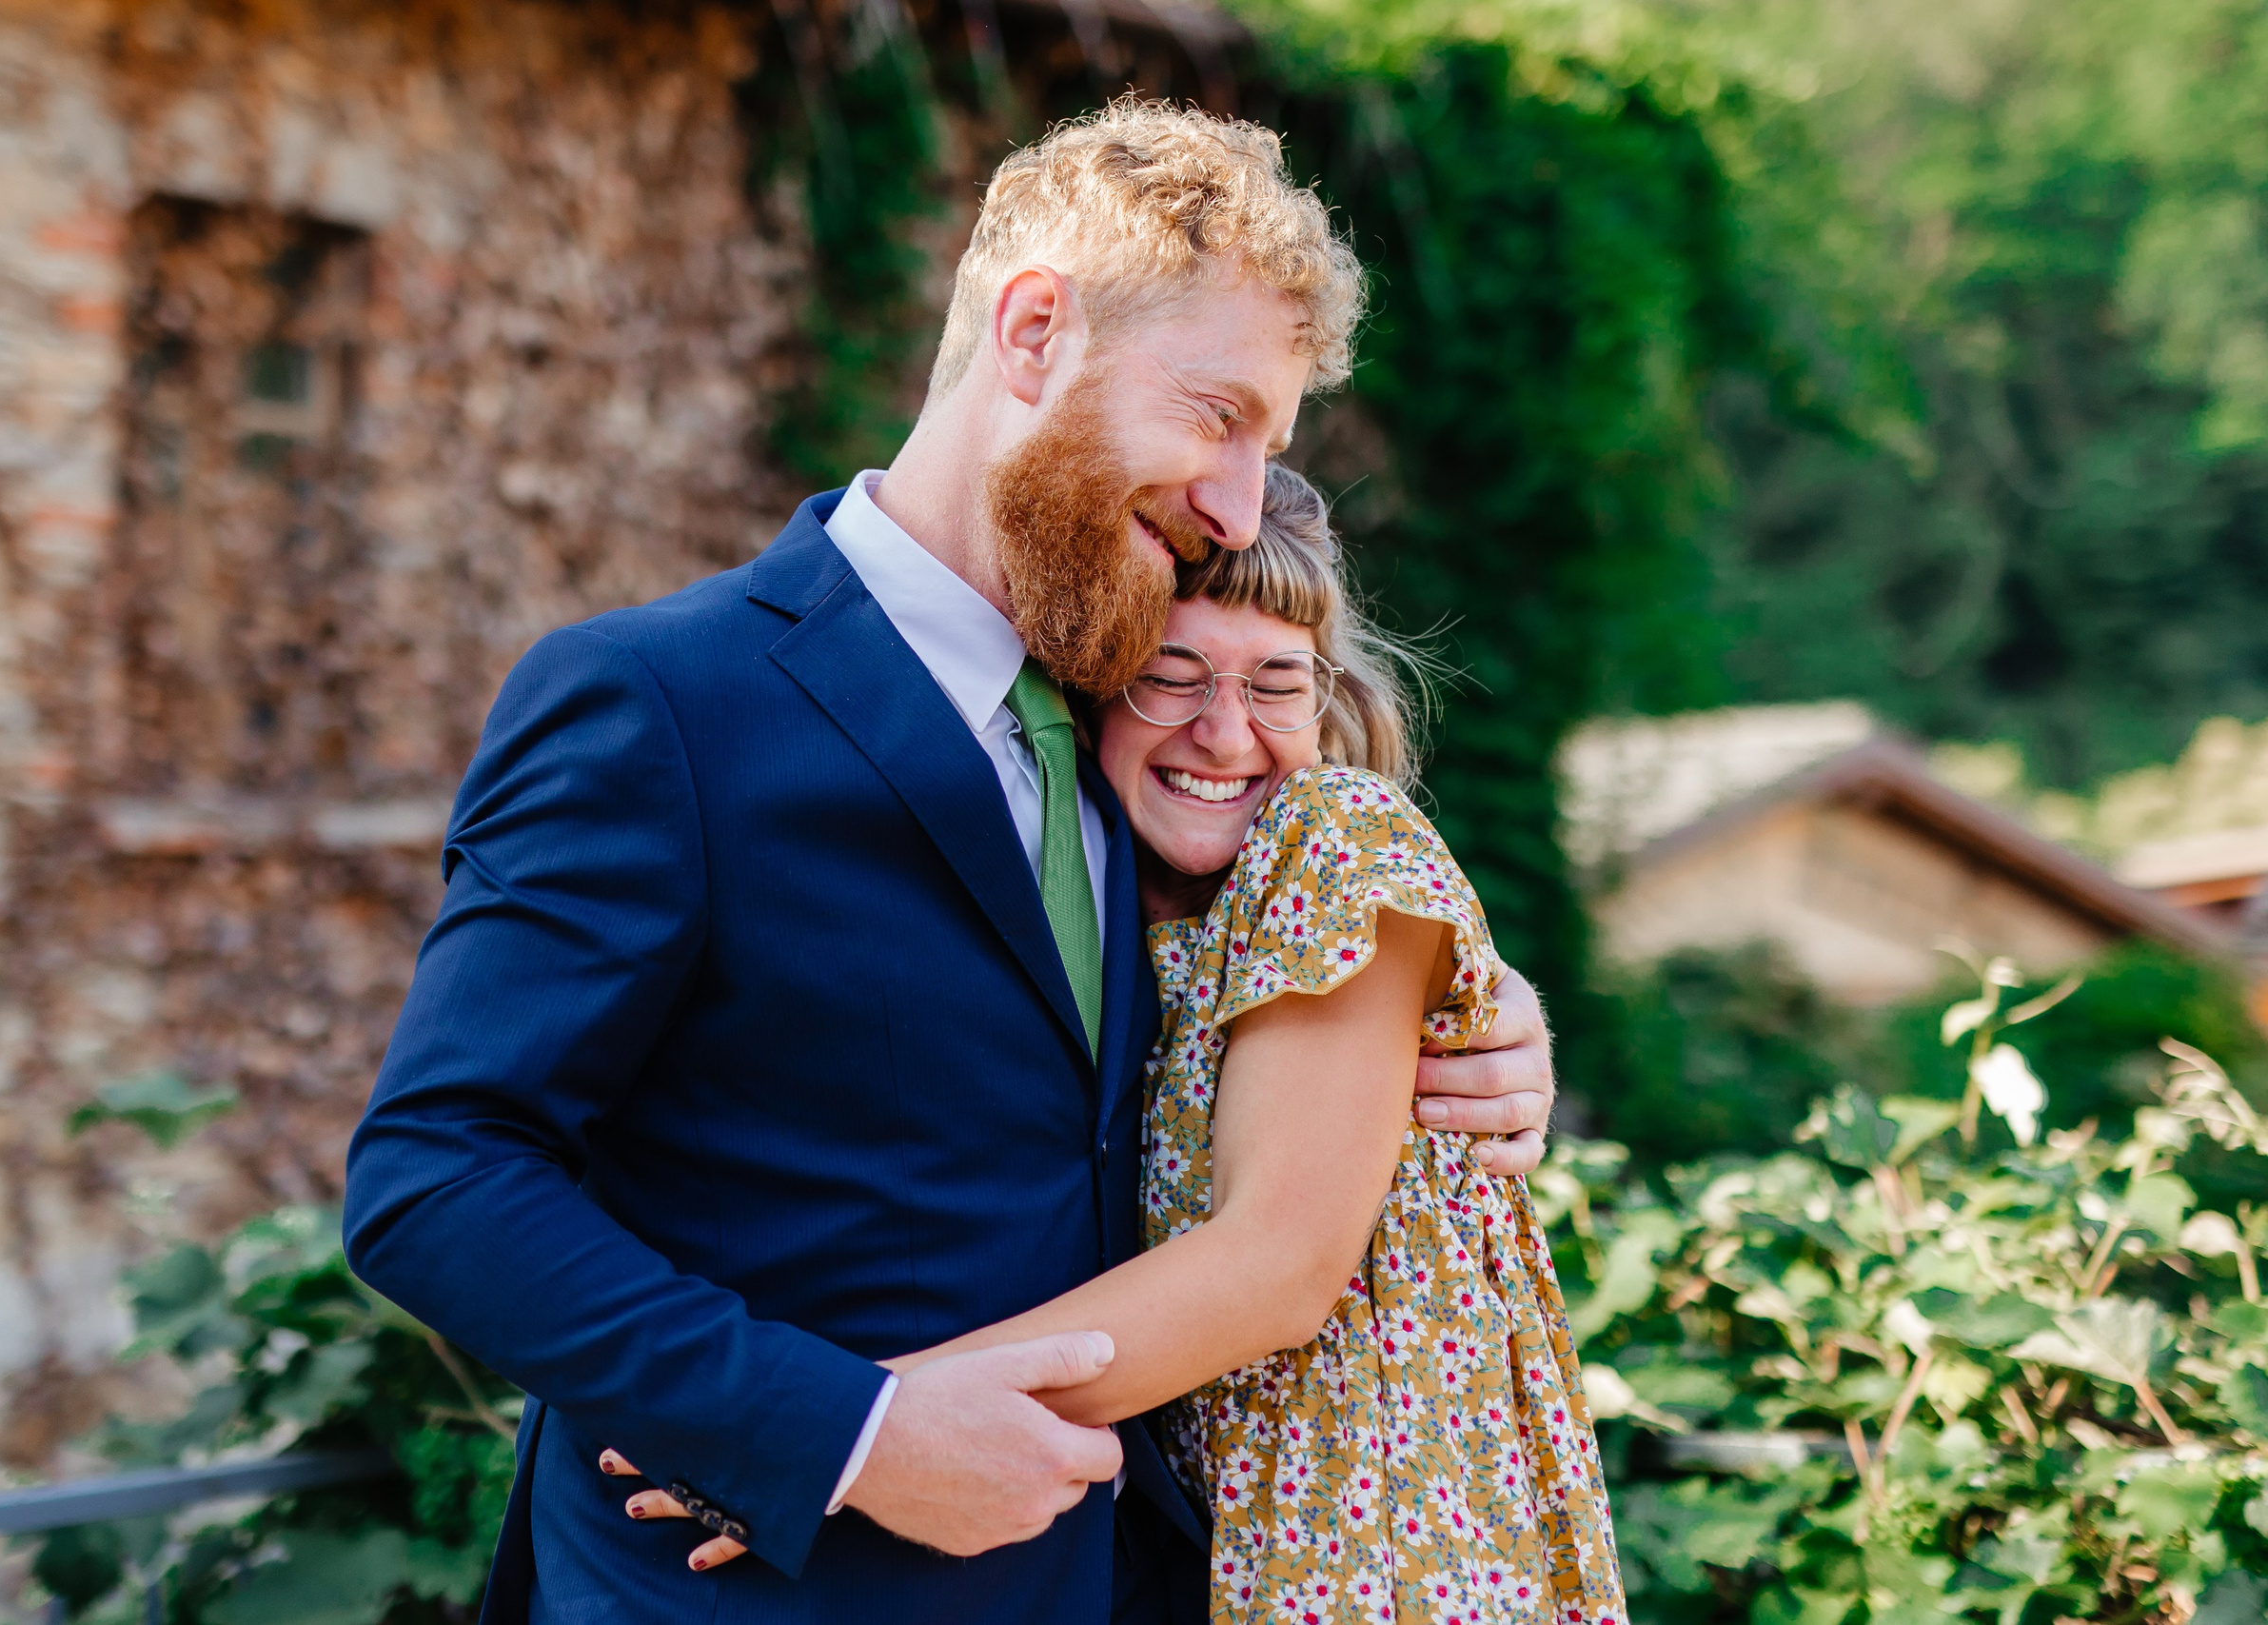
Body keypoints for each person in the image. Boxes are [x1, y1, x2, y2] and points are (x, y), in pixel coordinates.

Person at [342, 99, 1558, 1625]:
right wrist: (839, 1434)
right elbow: (437, 1173)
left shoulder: (1132, 721)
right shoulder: (659, 702)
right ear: (1035, 330)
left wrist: (1484, 1029)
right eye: (1219, 415)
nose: (1242, 505)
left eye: (1271, 444)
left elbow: (1251, 1043)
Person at [641, 467, 1627, 1624]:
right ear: (1089, 699)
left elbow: (1278, 1268)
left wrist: (827, 1428)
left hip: (1398, 1540)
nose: (1226, 734)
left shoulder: (1334, 838)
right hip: (1216, 1547)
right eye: (1171, 680)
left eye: (1278, 685)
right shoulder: (1111, 924)